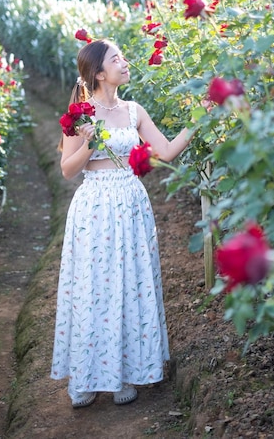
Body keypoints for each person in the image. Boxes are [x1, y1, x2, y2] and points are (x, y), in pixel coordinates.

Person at [50, 38, 193, 408]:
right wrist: (88, 143)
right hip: (94, 204)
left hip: (130, 201)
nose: (125, 62)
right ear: (99, 72)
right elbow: (67, 170)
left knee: (129, 283)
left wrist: (199, 119)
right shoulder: (81, 114)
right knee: (92, 287)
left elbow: (165, 151)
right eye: (117, 58)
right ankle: (85, 376)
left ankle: (122, 374)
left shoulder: (134, 111)